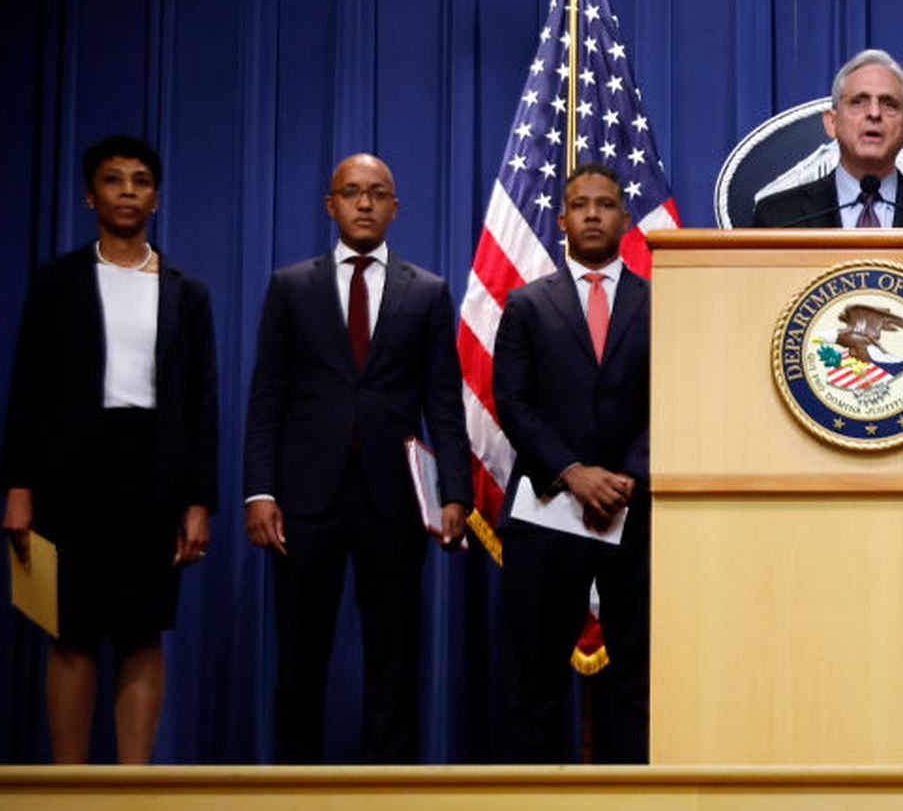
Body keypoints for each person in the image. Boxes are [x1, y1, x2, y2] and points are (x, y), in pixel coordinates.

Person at [242, 153, 472, 763]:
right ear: (330, 205)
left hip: (392, 500)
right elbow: (267, 397)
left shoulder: (426, 293)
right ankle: (293, 789)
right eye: (351, 192)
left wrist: (455, 494)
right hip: (304, 501)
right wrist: (260, 491)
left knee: (393, 657)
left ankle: (389, 791)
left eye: (377, 193)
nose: (364, 203)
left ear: (396, 207)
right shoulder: (290, 287)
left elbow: (443, 405)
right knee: (300, 654)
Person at [0, 135, 218, 763]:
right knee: (70, 633)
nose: (128, 191)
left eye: (141, 180)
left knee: (143, 633)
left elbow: (204, 403)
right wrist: (18, 487)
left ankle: (133, 789)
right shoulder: (58, 281)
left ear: (156, 196)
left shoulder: (187, 291)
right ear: (89, 194)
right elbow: (27, 387)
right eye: (114, 180)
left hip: (155, 474)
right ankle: (70, 791)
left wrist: (200, 500)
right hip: (70, 473)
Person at [492, 164, 651, 762]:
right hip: (548, 509)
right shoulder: (527, 304)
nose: (591, 214)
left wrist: (629, 473)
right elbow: (513, 401)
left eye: (605, 204)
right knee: (533, 680)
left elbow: (674, 394)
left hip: (635, 515)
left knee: (637, 678)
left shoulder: (659, 302)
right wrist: (574, 472)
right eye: (579, 205)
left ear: (624, 219)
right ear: (560, 220)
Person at [749, 49, 903, 229]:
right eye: (858, 102)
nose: (874, 114)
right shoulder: (779, 219)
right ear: (831, 122)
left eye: (889, 104)